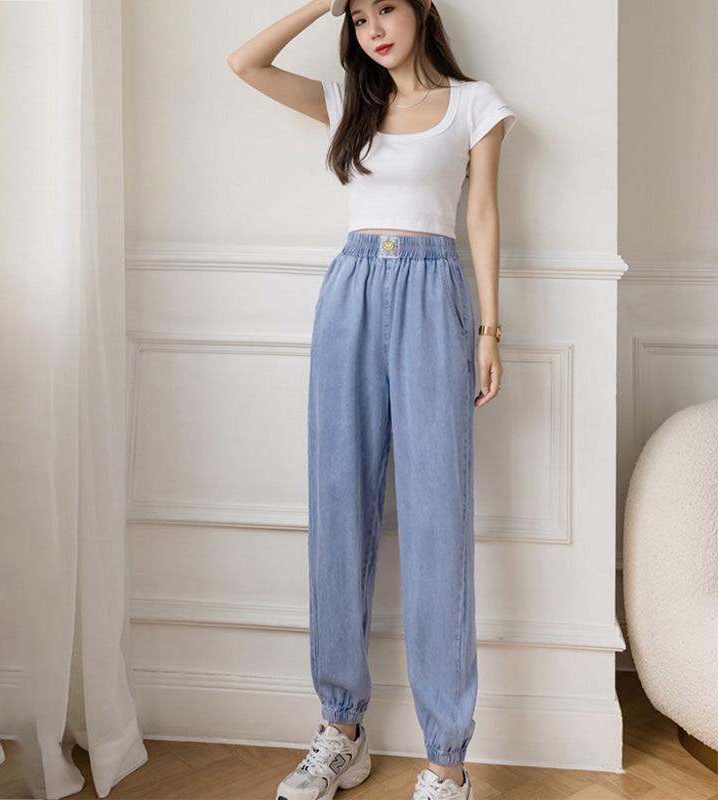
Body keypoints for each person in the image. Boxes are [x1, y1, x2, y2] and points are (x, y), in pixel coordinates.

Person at [228, 1, 516, 797]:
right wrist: (322, 3)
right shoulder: (346, 102)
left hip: (432, 294)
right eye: (357, 19)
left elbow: (483, 214)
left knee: (436, 522)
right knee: (339, 508)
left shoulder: (475, 105)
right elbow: (244, 63)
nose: (374, 29)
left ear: (421, 9)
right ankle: (341, 730)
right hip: (351, 292)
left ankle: (447, 762)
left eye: (385, 8)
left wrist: (490, 331)